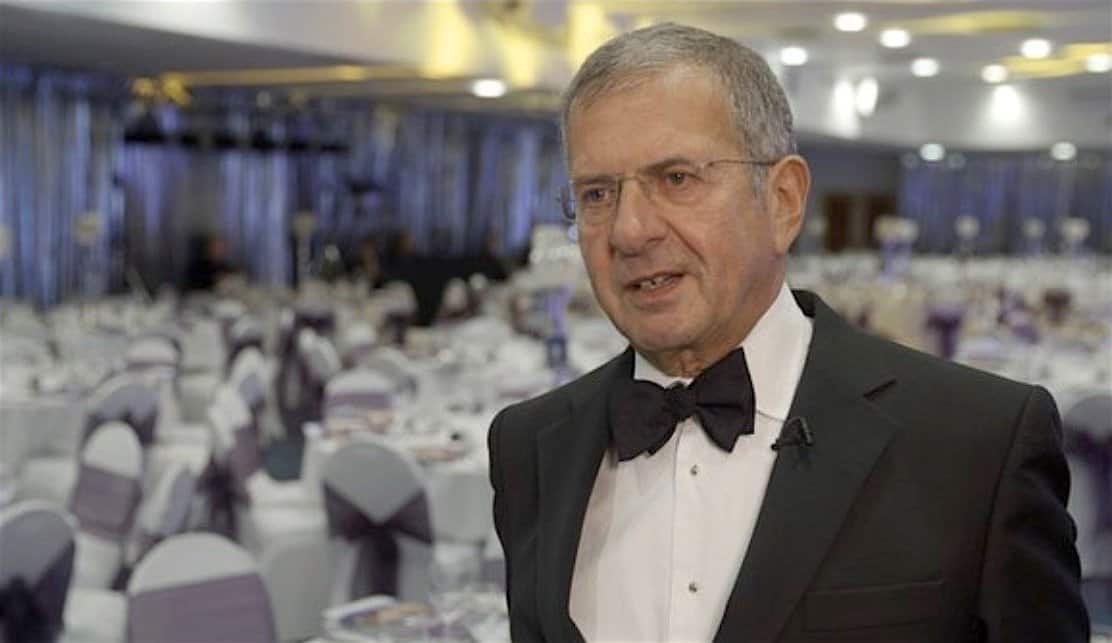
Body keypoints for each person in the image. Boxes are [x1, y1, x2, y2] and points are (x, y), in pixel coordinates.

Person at [487, 23, 1087, 643]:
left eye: (676, 179)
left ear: (783, 201)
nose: (629, 230)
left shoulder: (976, 442)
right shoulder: (530, 445)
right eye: (597, 193)